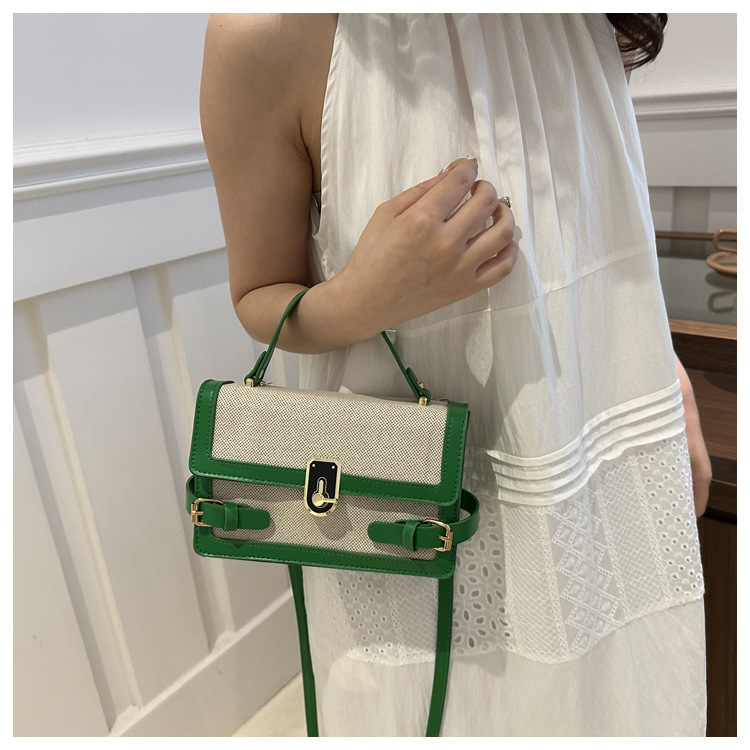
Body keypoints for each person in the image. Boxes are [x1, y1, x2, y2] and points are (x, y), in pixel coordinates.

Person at [200, 13, 711, 736]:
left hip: (603, 446)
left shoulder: (576, 17)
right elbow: (260, 295)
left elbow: (601, 226)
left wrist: (670, 376)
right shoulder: (267, 33)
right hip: (409, 514)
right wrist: (365, 297)